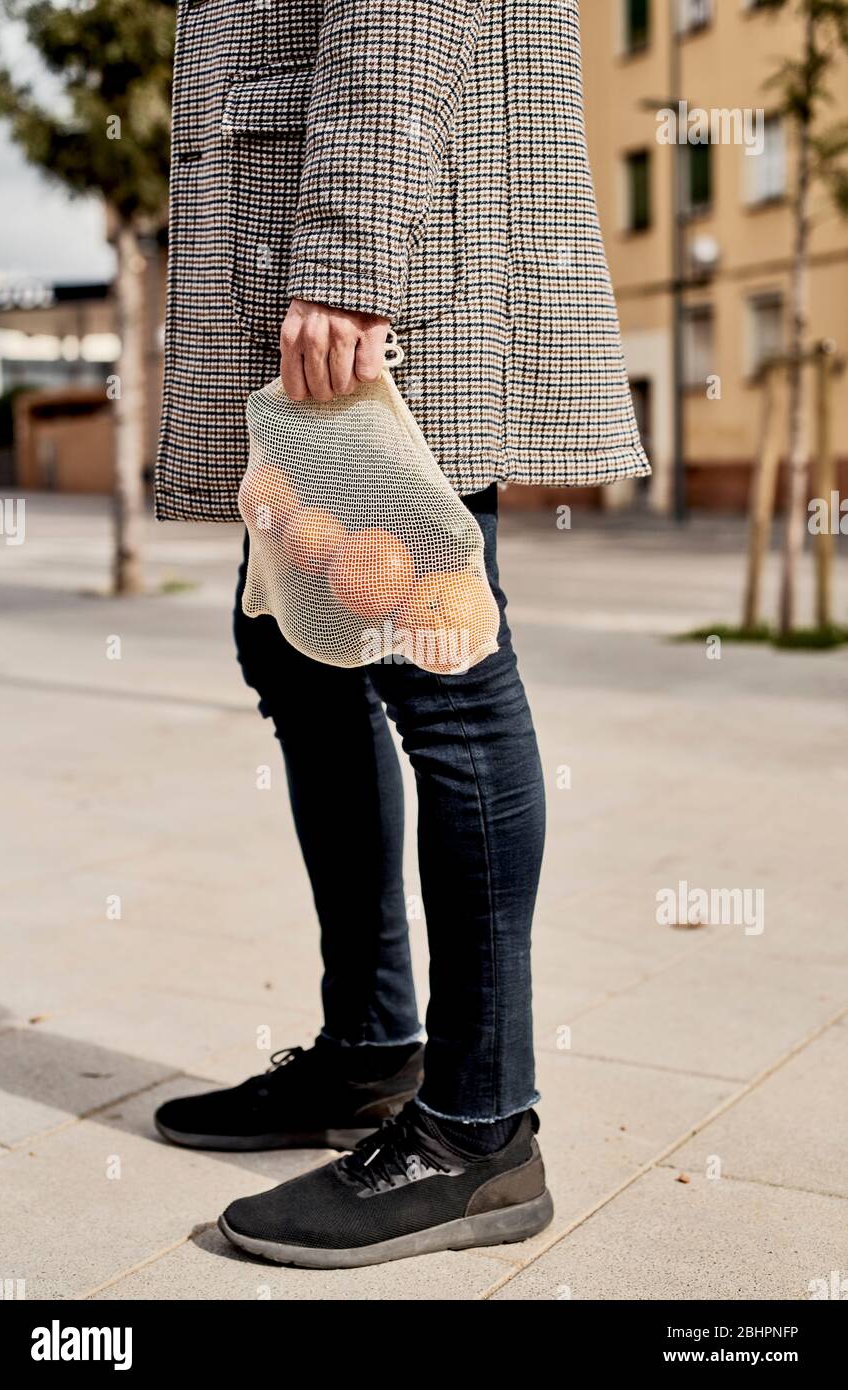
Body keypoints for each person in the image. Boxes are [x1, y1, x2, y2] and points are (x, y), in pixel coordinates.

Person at [153, 0, 650, 1269]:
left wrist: (350, 257)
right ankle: (372, 1050)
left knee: (443, 668)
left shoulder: (361, 252)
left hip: (392, 247)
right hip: (329, 240)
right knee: (293, 643)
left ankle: (480, 1130)